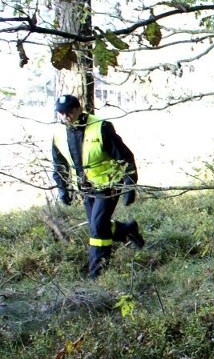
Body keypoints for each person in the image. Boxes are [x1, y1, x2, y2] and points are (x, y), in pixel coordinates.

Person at [52, 94, 145, 279]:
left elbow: (125, 156)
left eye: (69, 112)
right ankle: (127, 230)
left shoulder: (101, 127)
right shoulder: (59, 134)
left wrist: (129, 185)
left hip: (108, 184)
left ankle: (97, 274)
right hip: (86, 188)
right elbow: (59, 165)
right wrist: (62, 189)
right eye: (61, 113)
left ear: (79, 109)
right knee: (100, 225)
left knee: (97, 229)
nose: (65, 117)